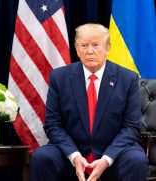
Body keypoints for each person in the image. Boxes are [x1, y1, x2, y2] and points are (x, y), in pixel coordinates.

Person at [31, 23, 148, 181]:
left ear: (107, 49)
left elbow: (131, 127)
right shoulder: (59, 78)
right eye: (84, 45)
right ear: (77, 49)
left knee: (136, 160)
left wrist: (107, 159)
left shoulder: (127, 79)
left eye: (96, 45)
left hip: (114, 154)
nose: (90, 51)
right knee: (42, 157)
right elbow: (53, 124)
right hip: (71, 153)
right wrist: (74, 156)